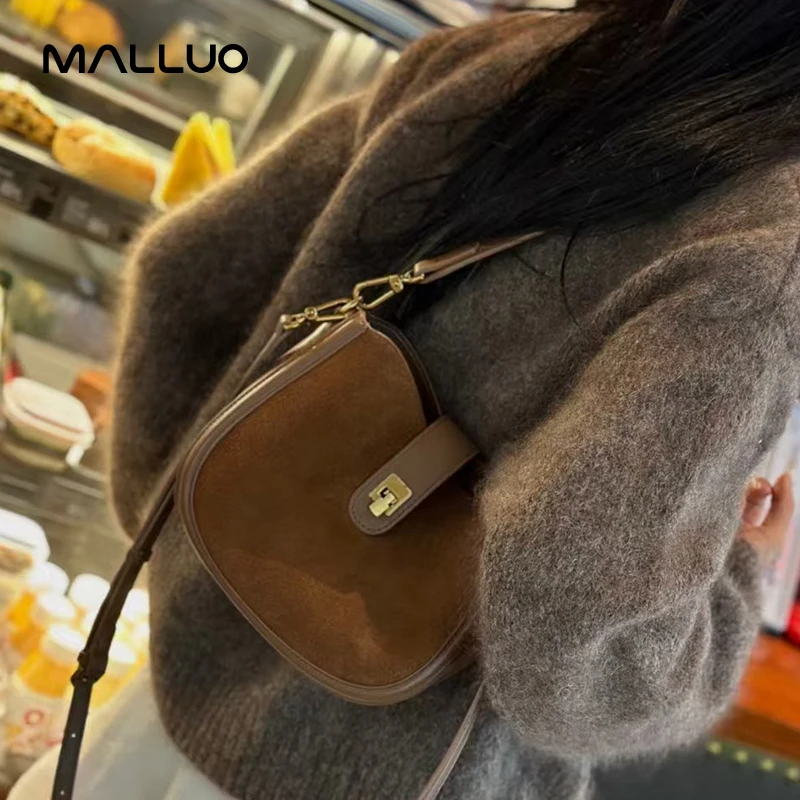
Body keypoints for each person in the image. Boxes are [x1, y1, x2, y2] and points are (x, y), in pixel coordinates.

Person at [15, 2, 800, 798]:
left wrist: (200, 540)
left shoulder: (502, 55)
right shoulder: (765, 252)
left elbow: (185, 278)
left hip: (152, 709)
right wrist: (738, 572)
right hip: (378, 775)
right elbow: (577, 634)